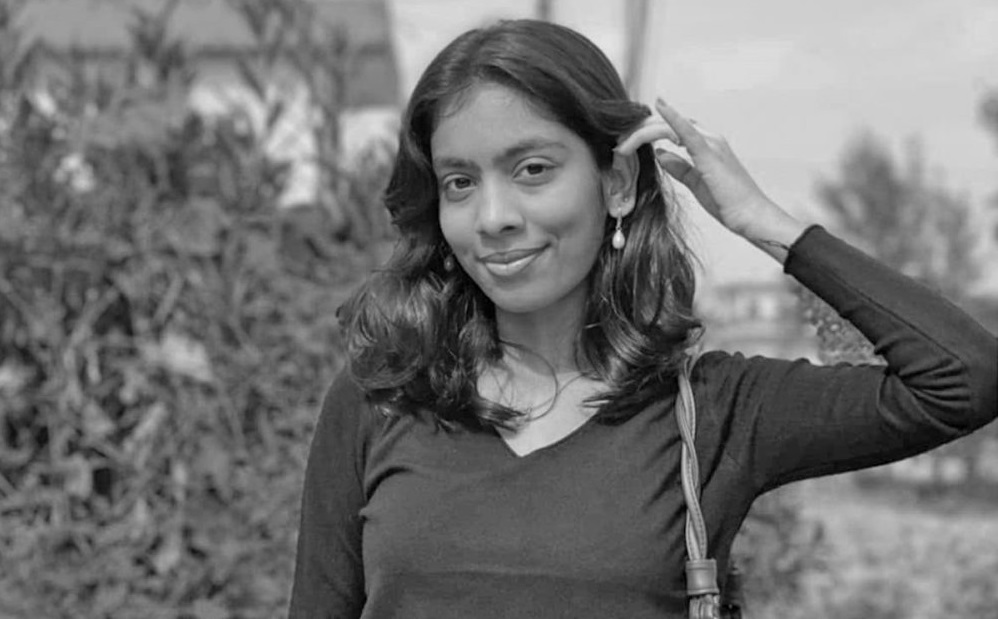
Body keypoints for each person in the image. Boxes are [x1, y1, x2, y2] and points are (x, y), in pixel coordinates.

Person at [288, 18, 998, 619]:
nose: (494, 216)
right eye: (460, 182)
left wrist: (763, 223)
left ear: (617, 182)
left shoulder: (712, 411)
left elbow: (961, 378)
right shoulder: (382, 399)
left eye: (533, 169)